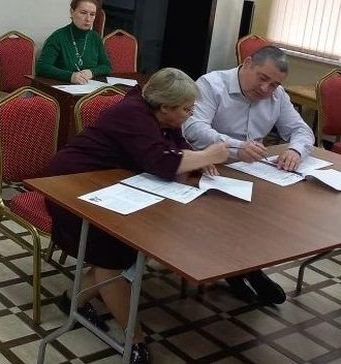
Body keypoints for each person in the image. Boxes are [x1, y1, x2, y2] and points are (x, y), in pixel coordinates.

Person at [46, 68, 229, 364]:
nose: (191, 114)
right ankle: (135, 339)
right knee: (112, 257)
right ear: (165, 107)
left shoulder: (160, 113)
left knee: (125, 249)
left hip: (113, 184)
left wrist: (195, 159)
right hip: (71, 185)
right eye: (187, 109)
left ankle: (72, 299)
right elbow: (161, 161)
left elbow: (176, 145)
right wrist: (207, 155)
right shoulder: (132, 114)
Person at [182, 45, 314, 305]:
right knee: (231, 213)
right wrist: (235, 146)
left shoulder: (277, 95)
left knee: (271, 211)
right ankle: (240, 270)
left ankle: (246, 268)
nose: (266, 89)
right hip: (207, 168)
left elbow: (301, 130)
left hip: (250, 171)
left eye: (274, 84)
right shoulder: (212, 84)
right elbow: (193, 128)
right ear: (248, 63)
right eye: (263, 78)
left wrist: (295, 150)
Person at [35, 0, 112, 84]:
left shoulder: (95, 37)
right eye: (83, 13)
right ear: (72, 12)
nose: (88, 19)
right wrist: (70, 76)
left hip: (88, 87)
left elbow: (107, 66)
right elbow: (42, 67)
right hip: (62, 87)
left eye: (92, 14)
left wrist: (92, 72)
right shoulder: (58, 37)